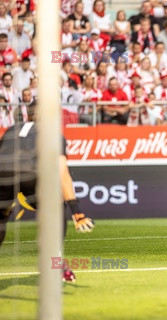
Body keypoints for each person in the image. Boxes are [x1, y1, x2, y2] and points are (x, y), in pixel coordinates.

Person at [0, 101, 94, 282]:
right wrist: (77, 211)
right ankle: (56, 263)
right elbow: (62, 173)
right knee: (56, 203)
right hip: (31, 176)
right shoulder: (52, 134)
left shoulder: (12, 129)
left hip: (2, 174)